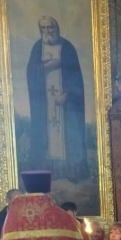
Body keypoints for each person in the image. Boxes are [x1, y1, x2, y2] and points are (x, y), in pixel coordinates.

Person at [27, 17, 88, 180]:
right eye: (44, 28)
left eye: (50, 28)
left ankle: (70, 172)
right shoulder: (37, 48)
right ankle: (47, 173)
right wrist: (46, 67)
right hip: (45, 105)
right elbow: (31, 71)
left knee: (69, 134)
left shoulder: (67, 47)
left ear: (56, 28)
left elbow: (76, 77)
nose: (47, 31)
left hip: (66, 104)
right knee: (45, 134)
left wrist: (67, 94)